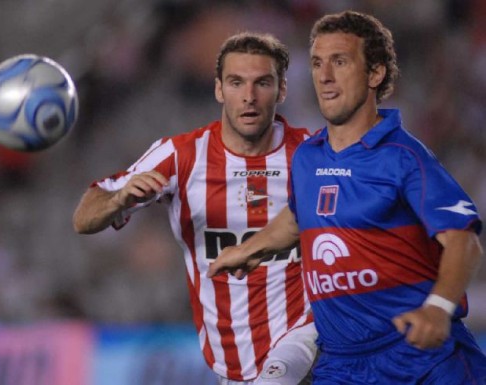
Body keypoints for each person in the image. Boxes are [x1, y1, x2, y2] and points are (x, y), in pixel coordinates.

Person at [208, 10, 486, 384]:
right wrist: (250, 249)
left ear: (375, 74)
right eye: (319, 63)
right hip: (343, 365)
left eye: (340, 62)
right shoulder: (307, 157)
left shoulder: (403, 157)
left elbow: (463, 242)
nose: (324, 76)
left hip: (422, 358)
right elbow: (298, 216)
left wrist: (437, 308)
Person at [73, 32, 317, 385]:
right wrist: (117, 200)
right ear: (219, 89)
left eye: (262, 83)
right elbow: (84, 218)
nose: (249, 97)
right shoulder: (180, 155)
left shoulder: (313, 155)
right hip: (233, 363)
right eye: (236, 83)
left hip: (306, 337)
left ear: (281, 91)